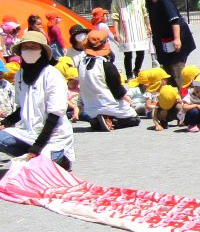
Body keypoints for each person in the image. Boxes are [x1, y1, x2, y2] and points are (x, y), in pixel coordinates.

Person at [0, 31, 74, 169]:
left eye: (34, 47)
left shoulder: (52, 75)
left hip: (54, 136)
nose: (29, 50)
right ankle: (32, 158)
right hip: (29, 133)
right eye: (25, 47)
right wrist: (5, 123)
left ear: (42, 51)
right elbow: (23, 107)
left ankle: (60, 158)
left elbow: (54, 116)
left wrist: (37, 147)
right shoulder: (20, 75)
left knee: (39, 166)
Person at [137, 0, 196, 89]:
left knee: (177, 68)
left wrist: (177, 39)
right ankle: (171, 95)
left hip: (176, 37)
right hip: (163, 40)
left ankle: (183, 95)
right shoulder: (149, 1)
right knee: (166, 70)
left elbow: (174, 20)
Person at [77, 30, 141, 131]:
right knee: (135, 119)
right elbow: (117, 90)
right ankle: (111, 121)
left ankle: (97, 121)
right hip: (107, 104)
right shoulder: (106, 65)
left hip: (90, 107)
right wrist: (128, 100)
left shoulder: (81, 63)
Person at [110, 0, 151, 80]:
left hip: (139, 30)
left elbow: (145, 14)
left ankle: (136, 70)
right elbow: (115, 17)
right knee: (128, 54)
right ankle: (129, 74)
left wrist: (148, 26)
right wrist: (116, 31)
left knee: (140, 52)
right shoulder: (116, 1)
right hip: (125, 31)